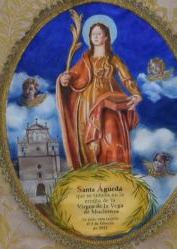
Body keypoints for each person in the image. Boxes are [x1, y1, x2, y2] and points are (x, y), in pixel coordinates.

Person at [56, 15, 144, 171]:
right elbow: (73, 76)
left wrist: (136, 93)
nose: (95, 37)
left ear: (106, 37)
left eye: (99, 34)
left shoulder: (113, 59)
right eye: (93, 34)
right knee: (90, 143)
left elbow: (127, 79)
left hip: (110, 104)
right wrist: (64, 79)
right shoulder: (85, 60)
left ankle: (114, 172)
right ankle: (92, 173)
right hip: (87, 104)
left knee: (110, 138)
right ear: (89, 38)